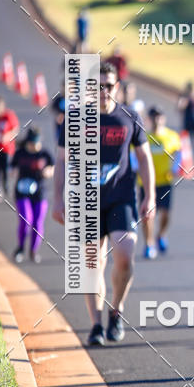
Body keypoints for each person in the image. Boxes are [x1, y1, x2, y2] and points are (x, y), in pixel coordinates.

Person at [53, 62, 156, 347]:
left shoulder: (129, 118)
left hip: (121, 197)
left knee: (124, 254)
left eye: (108, 85)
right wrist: (57, 198)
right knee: (92, 262)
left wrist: (149, 195)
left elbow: (145, 158)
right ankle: (97, 324)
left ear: (117, 87)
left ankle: (117, 310)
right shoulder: (75, 117)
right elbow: (61, 160)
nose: (102, 91)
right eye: (96, 86)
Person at [139, 107, 182, 258]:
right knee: (148, 214)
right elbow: (135, 154)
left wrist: (175, 168)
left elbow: (178, 153)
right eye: (154, 117)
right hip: (146, 181)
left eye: (159, 117)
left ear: (163, 118)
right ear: (150, 119)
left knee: (165, 214)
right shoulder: (143, 136)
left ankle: (161, 235)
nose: (157, 120)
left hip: (165, 180)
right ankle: (149, 244)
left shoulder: (172, 136)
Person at [11, 128, 54, 264]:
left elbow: (53, 167)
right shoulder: (20, 153)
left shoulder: (44, 154)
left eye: (37, 143)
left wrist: (48, 171)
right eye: (32, 143)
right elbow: (12, 168)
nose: (35, 146)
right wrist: (14, 172)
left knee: (37, 222)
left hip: (40, 192)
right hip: (22, 191)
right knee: (26, 220)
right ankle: (20, 248)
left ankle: (34, 250)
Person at [0, 96, 19, 203]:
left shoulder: (8, 115)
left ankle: (7, 188)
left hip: (6, 149)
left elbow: (15, 130)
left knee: (5, 169)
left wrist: (6, 136)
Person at [177, 81, 194, 163]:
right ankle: (185, 162)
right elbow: (179, 107)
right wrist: (185, 100)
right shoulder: (184, 97)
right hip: (187, 122)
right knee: (184, 143)